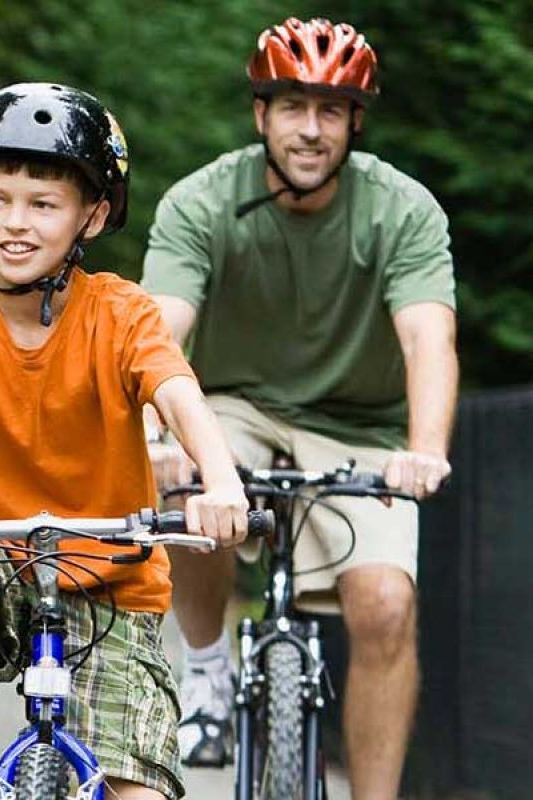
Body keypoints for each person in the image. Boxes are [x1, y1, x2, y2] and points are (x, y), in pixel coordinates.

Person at [0, 82, 250, 800]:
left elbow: (176, 391)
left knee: (138, 795)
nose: (13, 224)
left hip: (108, 580)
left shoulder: (121, 313)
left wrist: (220, 482)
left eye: (42, 205)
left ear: (91, 215)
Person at [140, 17, 457, 799]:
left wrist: (423, 448)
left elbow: (426, 341)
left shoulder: (401, 210)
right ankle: (208, 670)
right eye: (290, 106)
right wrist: (155, 434)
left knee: (385, 605)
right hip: (232, 407)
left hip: (360, 425)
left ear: (354, 121)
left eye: (329, 110)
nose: (309, 130)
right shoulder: (202, 202)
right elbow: (157, 331)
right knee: (186, 485)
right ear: (259, 115)